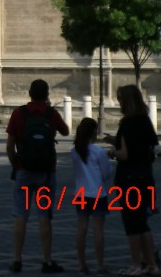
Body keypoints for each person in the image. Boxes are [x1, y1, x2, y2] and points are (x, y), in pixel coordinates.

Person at [6, 79, 70, 274]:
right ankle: (47, 260)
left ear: (29, 93)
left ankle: (17, 259)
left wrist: (16, 166)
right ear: (47, 94)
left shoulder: (19, 114)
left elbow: (10, 146)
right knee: (44, 216)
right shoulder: (51, 114)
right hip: (46, 173)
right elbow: (66, 131)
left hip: (24, 172)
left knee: (21, 216)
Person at [112, 85, 159, 276]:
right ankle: (151, 265)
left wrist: (112, 151)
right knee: (143, 223)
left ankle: (135, 265)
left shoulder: (127, 123)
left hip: (129, 179)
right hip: (146, 177)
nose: (118, 102)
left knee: (131, 224)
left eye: (120, 99)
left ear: (127, 101)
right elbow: (150, 150)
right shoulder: (145, 121)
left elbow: (124, 154)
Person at [70, 117, 112, 274]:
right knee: (98, 229)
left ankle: (82, 263)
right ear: (93, 133)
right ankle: (100, 264)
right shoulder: (99, 151)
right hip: (98, 194)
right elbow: (107, 172)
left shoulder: (74, 152)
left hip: (81, 194)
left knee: (81, 228)